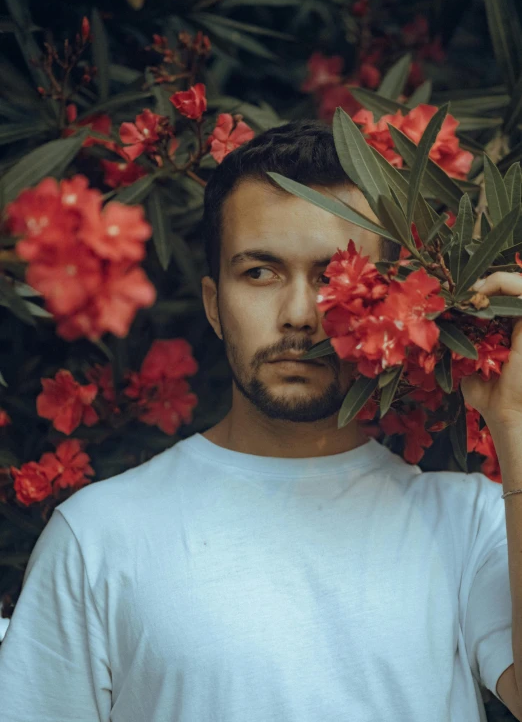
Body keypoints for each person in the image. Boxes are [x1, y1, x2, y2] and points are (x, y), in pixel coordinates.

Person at [0, 120, 516, 721]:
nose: (299, 315)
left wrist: (515, 420)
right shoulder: (97, 537)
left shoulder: (471, 525)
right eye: (260, 273)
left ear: (390, 301)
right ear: (214, 306)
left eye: (332, 277)